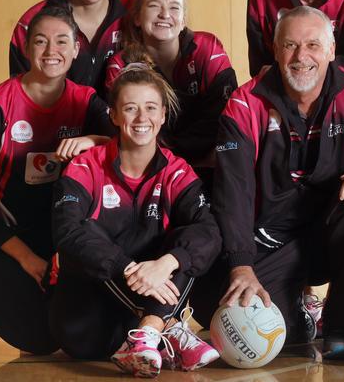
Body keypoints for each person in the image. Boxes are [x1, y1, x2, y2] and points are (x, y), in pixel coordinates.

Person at [191, 6, 344, 358]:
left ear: (331, 50)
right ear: (276, 51)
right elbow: (234, 192)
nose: (301, 56)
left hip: (338, 230)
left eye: (312, 45)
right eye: (290, 46)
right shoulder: (245, 104)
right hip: (275, 238)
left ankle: (339, 323)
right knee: (224, 312)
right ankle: (301, 314)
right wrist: (241, 265)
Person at [0, 6, 113, 354]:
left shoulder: (85, 101)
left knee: (66, 328)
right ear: (26, 48)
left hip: (49, 236)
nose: (51, 51)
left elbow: (128, 147)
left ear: (75, 50)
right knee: (38, 339)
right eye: (41, 41)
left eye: (61, 42)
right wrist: (26, 259)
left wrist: (93, 140)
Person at [49, 67, 221, 377]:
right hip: (88, 322)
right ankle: (165, 329)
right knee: (86, 230)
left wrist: (167, 262)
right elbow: (67, 232)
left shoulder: (176, 170)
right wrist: (127, 267)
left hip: (142, 316)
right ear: (113, 115)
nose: (142, 118)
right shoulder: (84, 166)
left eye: (150, 108)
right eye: (130, 108)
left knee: (188, 239)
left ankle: (150, 332)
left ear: (164, 115)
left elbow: (209, 231)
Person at [104, 0, 237, 186]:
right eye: (154, 6)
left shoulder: (207, 47)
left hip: (211, 162)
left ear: (183, 20)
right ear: (137, 18)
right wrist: (181, 159)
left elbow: (223, 114)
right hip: (151, 168)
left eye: (174, 8)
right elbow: (125, 126)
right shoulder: (121, 63)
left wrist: (187, 155)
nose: (165, 14)